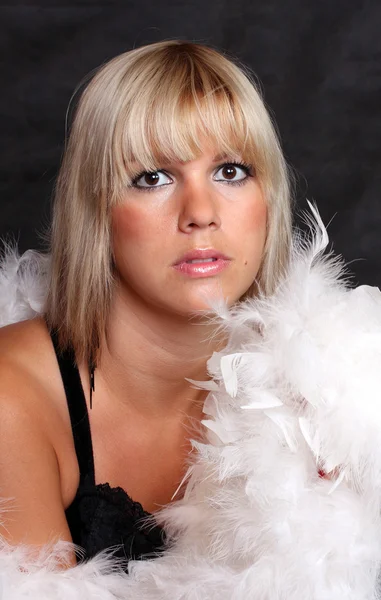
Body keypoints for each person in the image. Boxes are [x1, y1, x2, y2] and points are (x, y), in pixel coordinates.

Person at [0, 39, 292, 569]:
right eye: (152, 177)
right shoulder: (10, 399)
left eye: (230, 171)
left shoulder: (333, 390)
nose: (200, 213)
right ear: (95, 210)